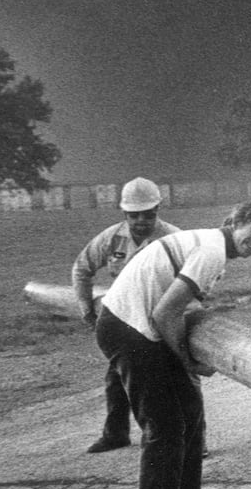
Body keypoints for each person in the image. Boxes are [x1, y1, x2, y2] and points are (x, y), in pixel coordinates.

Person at [96, 200, 251, 489]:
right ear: (236, 220)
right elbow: (165, 313)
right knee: (165, 428)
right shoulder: (212, 250)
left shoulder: (212, 248)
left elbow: (182, 305)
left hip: (141, 326)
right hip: (127, 329)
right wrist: (187, 361)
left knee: (190, 410)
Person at [71, 177, 179, 454]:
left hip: (160, 319)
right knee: (116, 378)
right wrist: (86, 308)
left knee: (175, 381)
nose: (141, 221)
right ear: (124, 213)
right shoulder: (112, 238)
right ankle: (115, 433)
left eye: (149, 214)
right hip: (123, 319)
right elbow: (82, 268)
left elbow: (196, 279)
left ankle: (190, 441)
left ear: (159, 209)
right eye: (134, 215)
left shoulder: (173, 238)